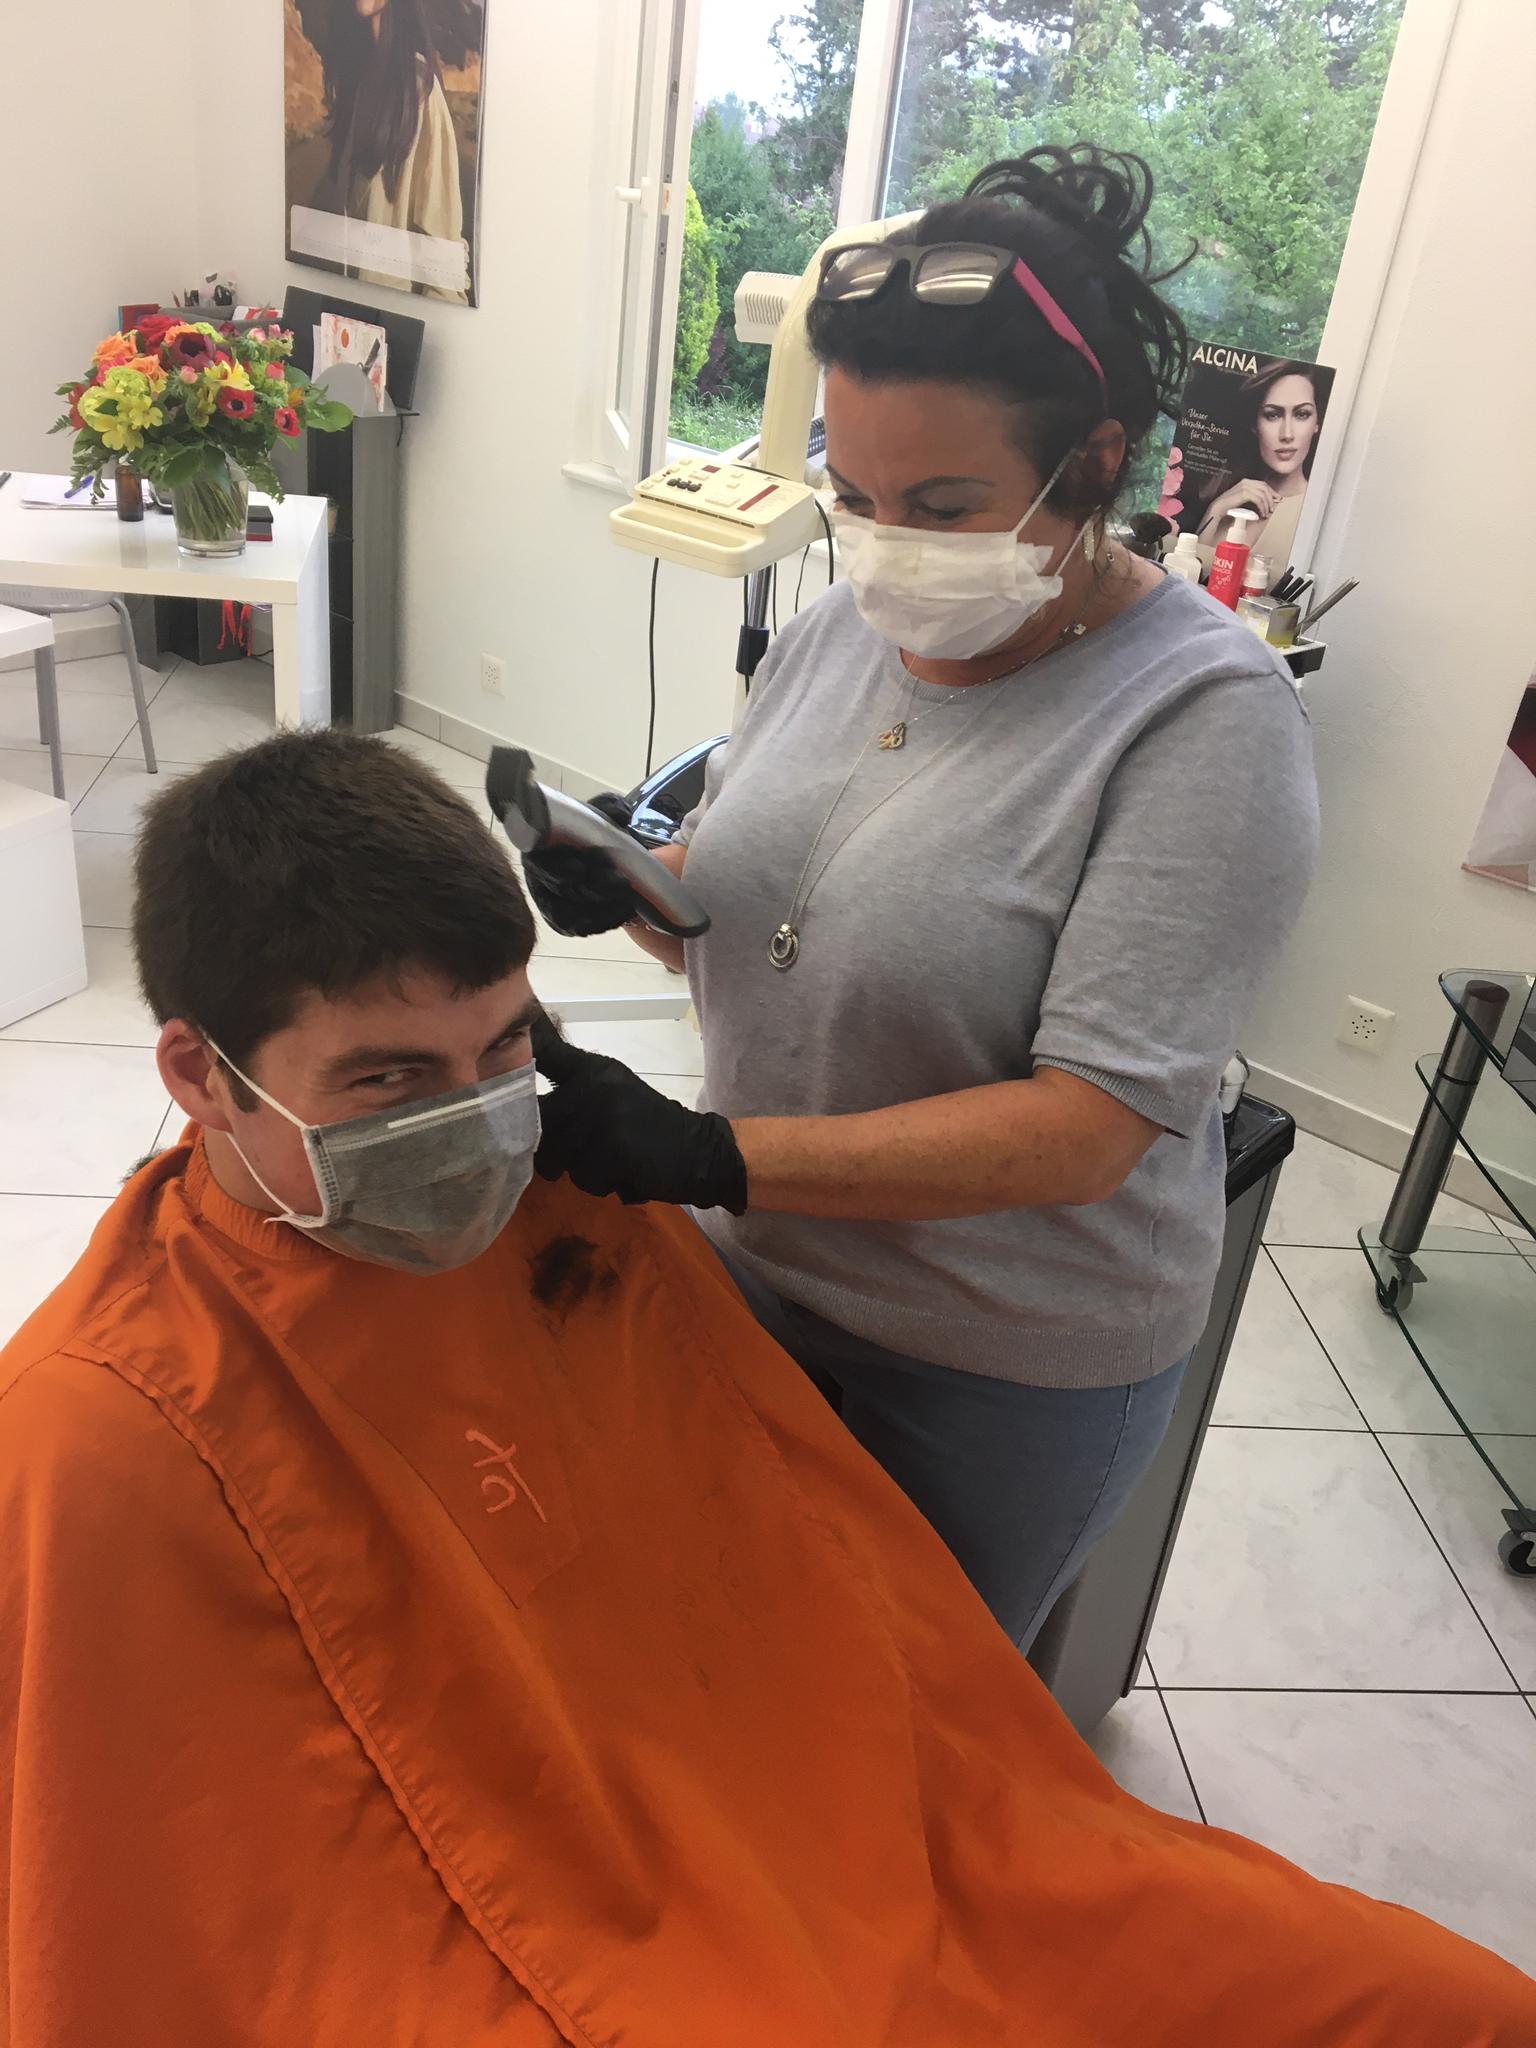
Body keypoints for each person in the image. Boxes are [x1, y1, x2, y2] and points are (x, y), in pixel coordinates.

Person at [3, 726, 1532, 2047]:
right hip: (538, 1934)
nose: (473, 1125)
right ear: (199, 1076)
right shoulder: (99, 1419)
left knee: (1436, 2004)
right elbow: (182, 1909)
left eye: (504, 1051)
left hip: (837, 1818)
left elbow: (799, 1567)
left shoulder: (571, 1215)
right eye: (392, 1081)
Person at [520, 145, 1320, 1653]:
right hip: (763, 1270)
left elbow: (1086, 1128)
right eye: (853, 494)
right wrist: (628, 883)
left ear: (1093, 463)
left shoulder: (1204, 722)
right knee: (726, 1659)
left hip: (995, 1363)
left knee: (903, 1718)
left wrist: (708, 1154)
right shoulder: (839, 630)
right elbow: (773, 916)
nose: (886, 546)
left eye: (945, 504)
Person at [315, 0, 469, 303]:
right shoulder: (356, 77)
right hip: (344, 306)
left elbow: (439, 223)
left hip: (393, 310)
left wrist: (444, 320)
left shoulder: (418, 86)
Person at [1189, 357, 1328, 570]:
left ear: (1316, 423)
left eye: (1302, 414)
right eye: (1272, 415)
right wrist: (1215, 510)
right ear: (1255, 424)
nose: (1287, 434)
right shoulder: (1228, 497)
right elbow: (1187, 573)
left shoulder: (1315, 513)